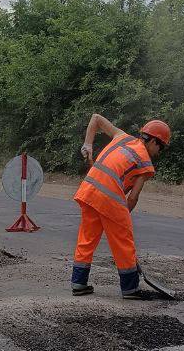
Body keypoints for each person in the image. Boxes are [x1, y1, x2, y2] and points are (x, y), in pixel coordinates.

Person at [71, 114, 172, 299]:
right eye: (161, 148)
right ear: (155, 142)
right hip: (110, 198)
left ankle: (78, 283)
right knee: (123, 243)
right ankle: (130, 288)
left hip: (89, 190)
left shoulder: (121, 136)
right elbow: (133, 198)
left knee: (87, 238)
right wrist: (122, 219)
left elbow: (95, 118)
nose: (159, 152)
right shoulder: (146, 164)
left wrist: (88, 144)